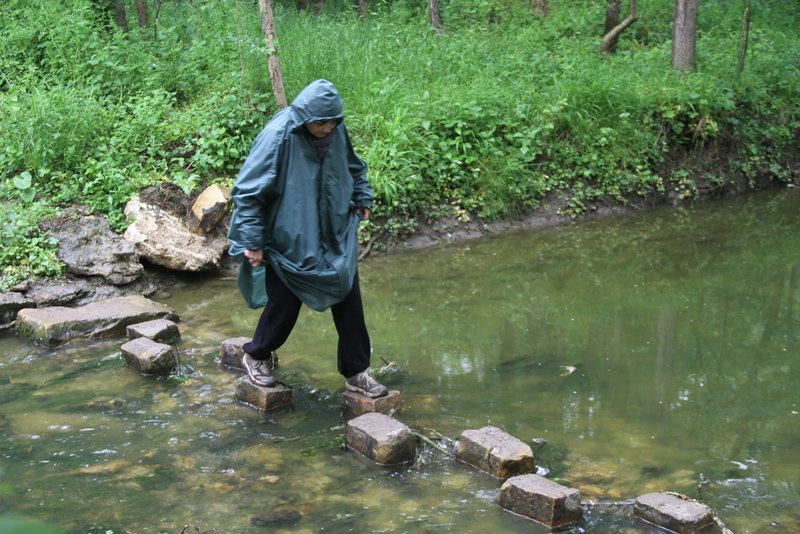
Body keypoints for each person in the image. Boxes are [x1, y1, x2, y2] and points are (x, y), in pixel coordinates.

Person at [227, 79, 388, 398]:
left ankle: (357, 372)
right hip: (289, 240)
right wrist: (254, 241)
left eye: (332, 122)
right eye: (321, 123)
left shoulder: (334, 129)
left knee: (349, 299)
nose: (327, 129)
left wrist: (362, 196)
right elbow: (248, 192)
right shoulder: (279, 135)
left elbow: (354, 167)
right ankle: (256, 355)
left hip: (334, 236)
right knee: (284, 305)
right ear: (305, 117)